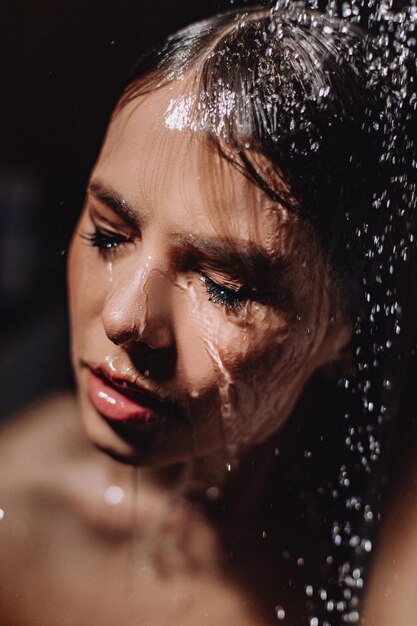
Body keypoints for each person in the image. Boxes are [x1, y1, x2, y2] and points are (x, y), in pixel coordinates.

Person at [1, 5, 414, 625]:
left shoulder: (381, 562)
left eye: (224, 287)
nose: (124, 317)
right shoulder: (19, 517)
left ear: (349, 331)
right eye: (110, 236)